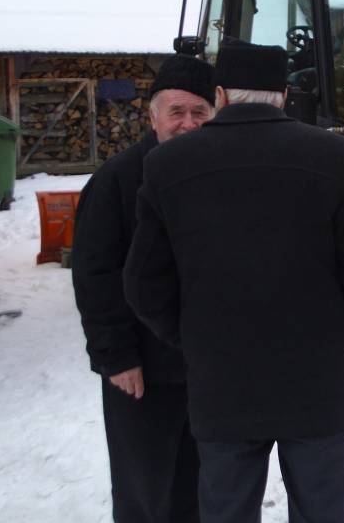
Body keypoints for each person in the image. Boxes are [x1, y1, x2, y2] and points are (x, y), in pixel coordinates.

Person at [123, 42, 344, 523]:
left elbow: (145, 284)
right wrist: (340, 328)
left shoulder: (169, 165)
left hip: (222, 384)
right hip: (316, 382)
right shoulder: (331, 155)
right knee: (322, 511)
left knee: (227, 510)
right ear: (286, 94)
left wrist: (191, 336)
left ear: (221, 94)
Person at [72, 54, 215, 523]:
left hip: (208, 370)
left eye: (199, 112)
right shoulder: (116, 181)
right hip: (142, 373)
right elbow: (95, 276)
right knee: (144, 491)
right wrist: (117, 356)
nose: (187, 123)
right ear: (152, 115)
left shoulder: (222, 179)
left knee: (203, 487)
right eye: (177, 112)